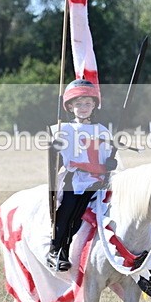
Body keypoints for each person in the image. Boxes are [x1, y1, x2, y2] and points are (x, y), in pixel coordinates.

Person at [47, 79, 117, 272]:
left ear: (94, 105)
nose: (83, 107)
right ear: (70, 106)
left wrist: (111, 162)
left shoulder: (102, 130)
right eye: (78, 104)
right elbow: (58, 161)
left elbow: (107, 156)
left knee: (79, 216)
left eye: (87, 103)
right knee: (67, 210)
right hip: (75, 179)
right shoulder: (64, 129)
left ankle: (73, 248)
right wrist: (55, 149)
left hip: (96, 181)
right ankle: (55, 250)